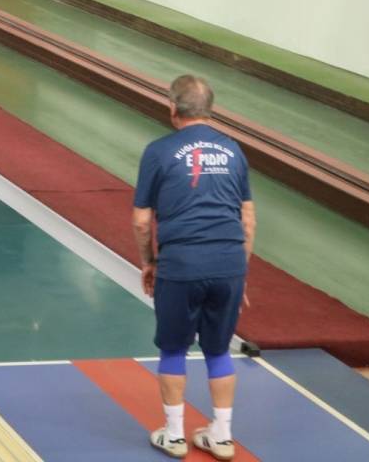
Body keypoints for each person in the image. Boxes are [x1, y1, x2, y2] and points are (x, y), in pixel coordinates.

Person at [132, 75, 257, 460]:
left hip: (181, 263)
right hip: (228, 263)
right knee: (219, 351)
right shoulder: (234, 151)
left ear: (172, 108)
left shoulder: (158, 151)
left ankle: (174, 435)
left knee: (173, 349)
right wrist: (239, 274)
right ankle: (221, 436)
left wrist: (149, 262)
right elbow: (248, 220)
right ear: (210, 110)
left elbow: (141, 221)